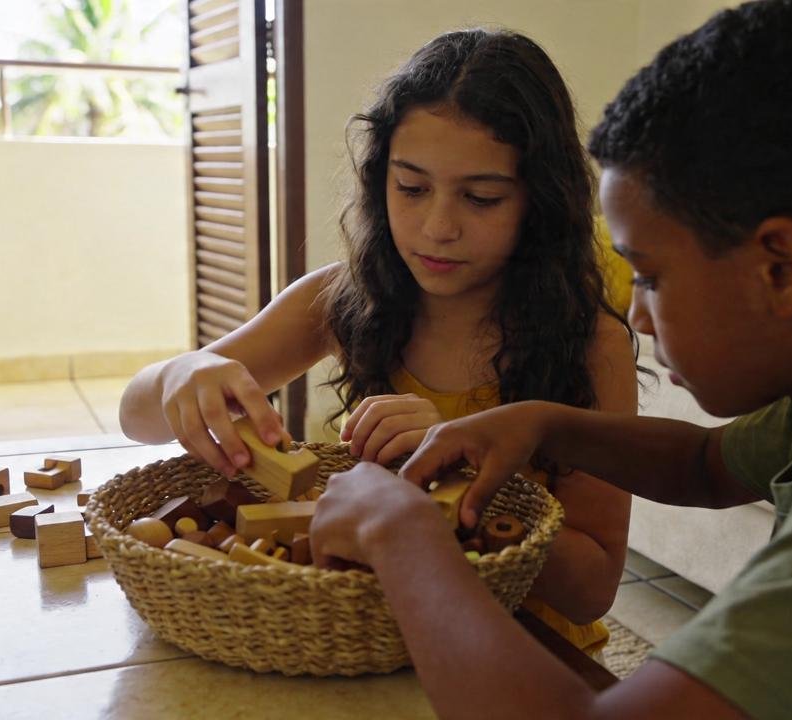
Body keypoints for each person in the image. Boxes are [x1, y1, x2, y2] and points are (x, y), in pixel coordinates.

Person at [308, 1, 792, 717]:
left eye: (651, 275)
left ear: (783, 269)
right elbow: (706, 463)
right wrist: (541, 424)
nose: (637, 310)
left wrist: (404, 536)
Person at [119, 28, 641, 652]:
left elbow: (592, 587)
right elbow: (136, 416)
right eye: (411, 188)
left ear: (539, 202)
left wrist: (469, 474)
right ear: (378, 180)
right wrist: (184, 374)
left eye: (481, 198)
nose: (437, 227)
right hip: (382, 640)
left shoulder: (590, 345)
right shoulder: (342, 300)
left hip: (525, 656)